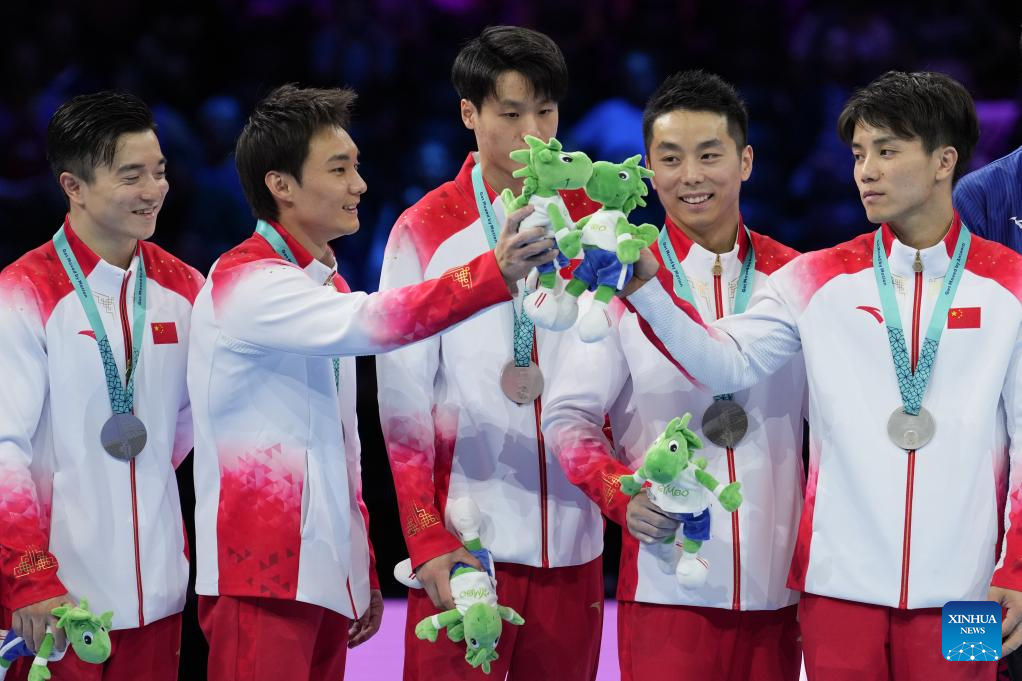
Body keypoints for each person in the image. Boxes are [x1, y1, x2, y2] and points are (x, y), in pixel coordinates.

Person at [624, 70, 1017, 679]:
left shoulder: (1011, 285)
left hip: (968, 594)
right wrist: (646, 289)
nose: (866, 172)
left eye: (887, 151)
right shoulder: (815, 279)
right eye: (859, 154)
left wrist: (1015, 567)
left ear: (945, 161)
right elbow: (721, 361)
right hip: (836, 589)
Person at [188, 83, 552, 681]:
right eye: (339, 169)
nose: (359, 185)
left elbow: (342, 448)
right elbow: (378, 321)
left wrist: (359, 569)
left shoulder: (323, 285)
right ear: (281, 185)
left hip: (321, 576)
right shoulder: (245, 282)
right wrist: (493, 271)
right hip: (259, 578)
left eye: (356, 166)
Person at [543, 70, 805, 681]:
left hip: (781, 587)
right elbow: (569, 417)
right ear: (649, 170)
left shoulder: (796, 279)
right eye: (670, 158)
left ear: (745, 161)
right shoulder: (616, 285)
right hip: (668, 582)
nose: (690, 176)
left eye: (709, 155)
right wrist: (619, 493)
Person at [377, 25, 604, 680]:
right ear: (469, 114)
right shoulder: (424, 229)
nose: (534, 133)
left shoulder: (592, 218)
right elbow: (402, 407)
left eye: (546, 112)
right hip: (465, 546)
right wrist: (425, 535)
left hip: (576, 543)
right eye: (510, 114)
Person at [0, 91, 202, 681]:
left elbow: (184, 428)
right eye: (131, 176)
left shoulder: (187, 289)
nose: (154, 190)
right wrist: (30, 577)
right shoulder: (24, 292)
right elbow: (4, 449)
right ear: (74, 186)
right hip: (55, 602)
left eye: (159, 171)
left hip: (159, 595)